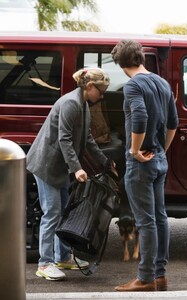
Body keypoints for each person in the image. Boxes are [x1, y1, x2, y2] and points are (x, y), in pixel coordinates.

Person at [26, 67, 113, 281]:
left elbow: (88, 139)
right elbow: (64, 139)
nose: (102, 96)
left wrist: (105, 162)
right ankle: (45, 263)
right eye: (101, 91)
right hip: (46, 165)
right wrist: (77, 168)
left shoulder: (82, 103)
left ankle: (62, 257)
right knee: (52, 213)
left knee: (65, 212)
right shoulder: (71, 103)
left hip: (59, 166)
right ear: (90, 86)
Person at [111, 40, 178, 292]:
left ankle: (145, 278)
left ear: (121, 64)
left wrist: (135, 150)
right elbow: (173, 122)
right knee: (160, 218)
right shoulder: (162, 83)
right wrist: (162, 150)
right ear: (140, 58)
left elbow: (139, 117)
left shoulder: (133, 85)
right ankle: (159, 275)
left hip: (141, 164)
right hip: (159, 159)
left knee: (146, 221)